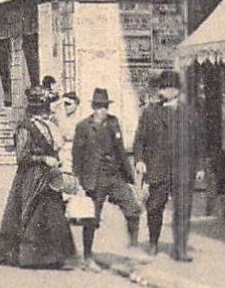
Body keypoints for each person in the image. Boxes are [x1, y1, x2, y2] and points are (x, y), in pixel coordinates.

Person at [0, 87, 77, 269]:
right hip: (30, 176)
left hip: (47, 175)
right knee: (32, 213)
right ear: (36, 109)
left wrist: (56, 159)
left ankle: (53, 256)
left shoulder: (45, 125)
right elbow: (21, 156)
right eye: (43, 108)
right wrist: (43, 159)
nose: (46, 111)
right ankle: (31, 257)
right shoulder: (25, 127)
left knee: (53, 213)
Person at [72, 87, 142, 266]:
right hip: (94, 178)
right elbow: (77, 156)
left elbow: (120, 151)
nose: (102, 111)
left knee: (133, 208)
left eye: (104, 107)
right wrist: (79, 182)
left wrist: (132, 179)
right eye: (99, 107)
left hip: (114, 175)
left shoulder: (113, 123)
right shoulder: (83, 127)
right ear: (93, 108)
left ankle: (133, 248)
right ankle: (88, 257)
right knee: (92, 218)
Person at [133, 70, 197, 261]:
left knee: (183, 211)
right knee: (154, 208)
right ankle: (153, 242)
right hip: (158, 168)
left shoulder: (189, 112)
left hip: (183, 170)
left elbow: (198, 141)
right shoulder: (150, 112)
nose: (163, 91)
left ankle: (180, 250)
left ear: (176, 90)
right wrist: (140, 160)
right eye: (161, 87)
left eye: (167, 87)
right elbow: (139, 141)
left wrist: (200, 166)